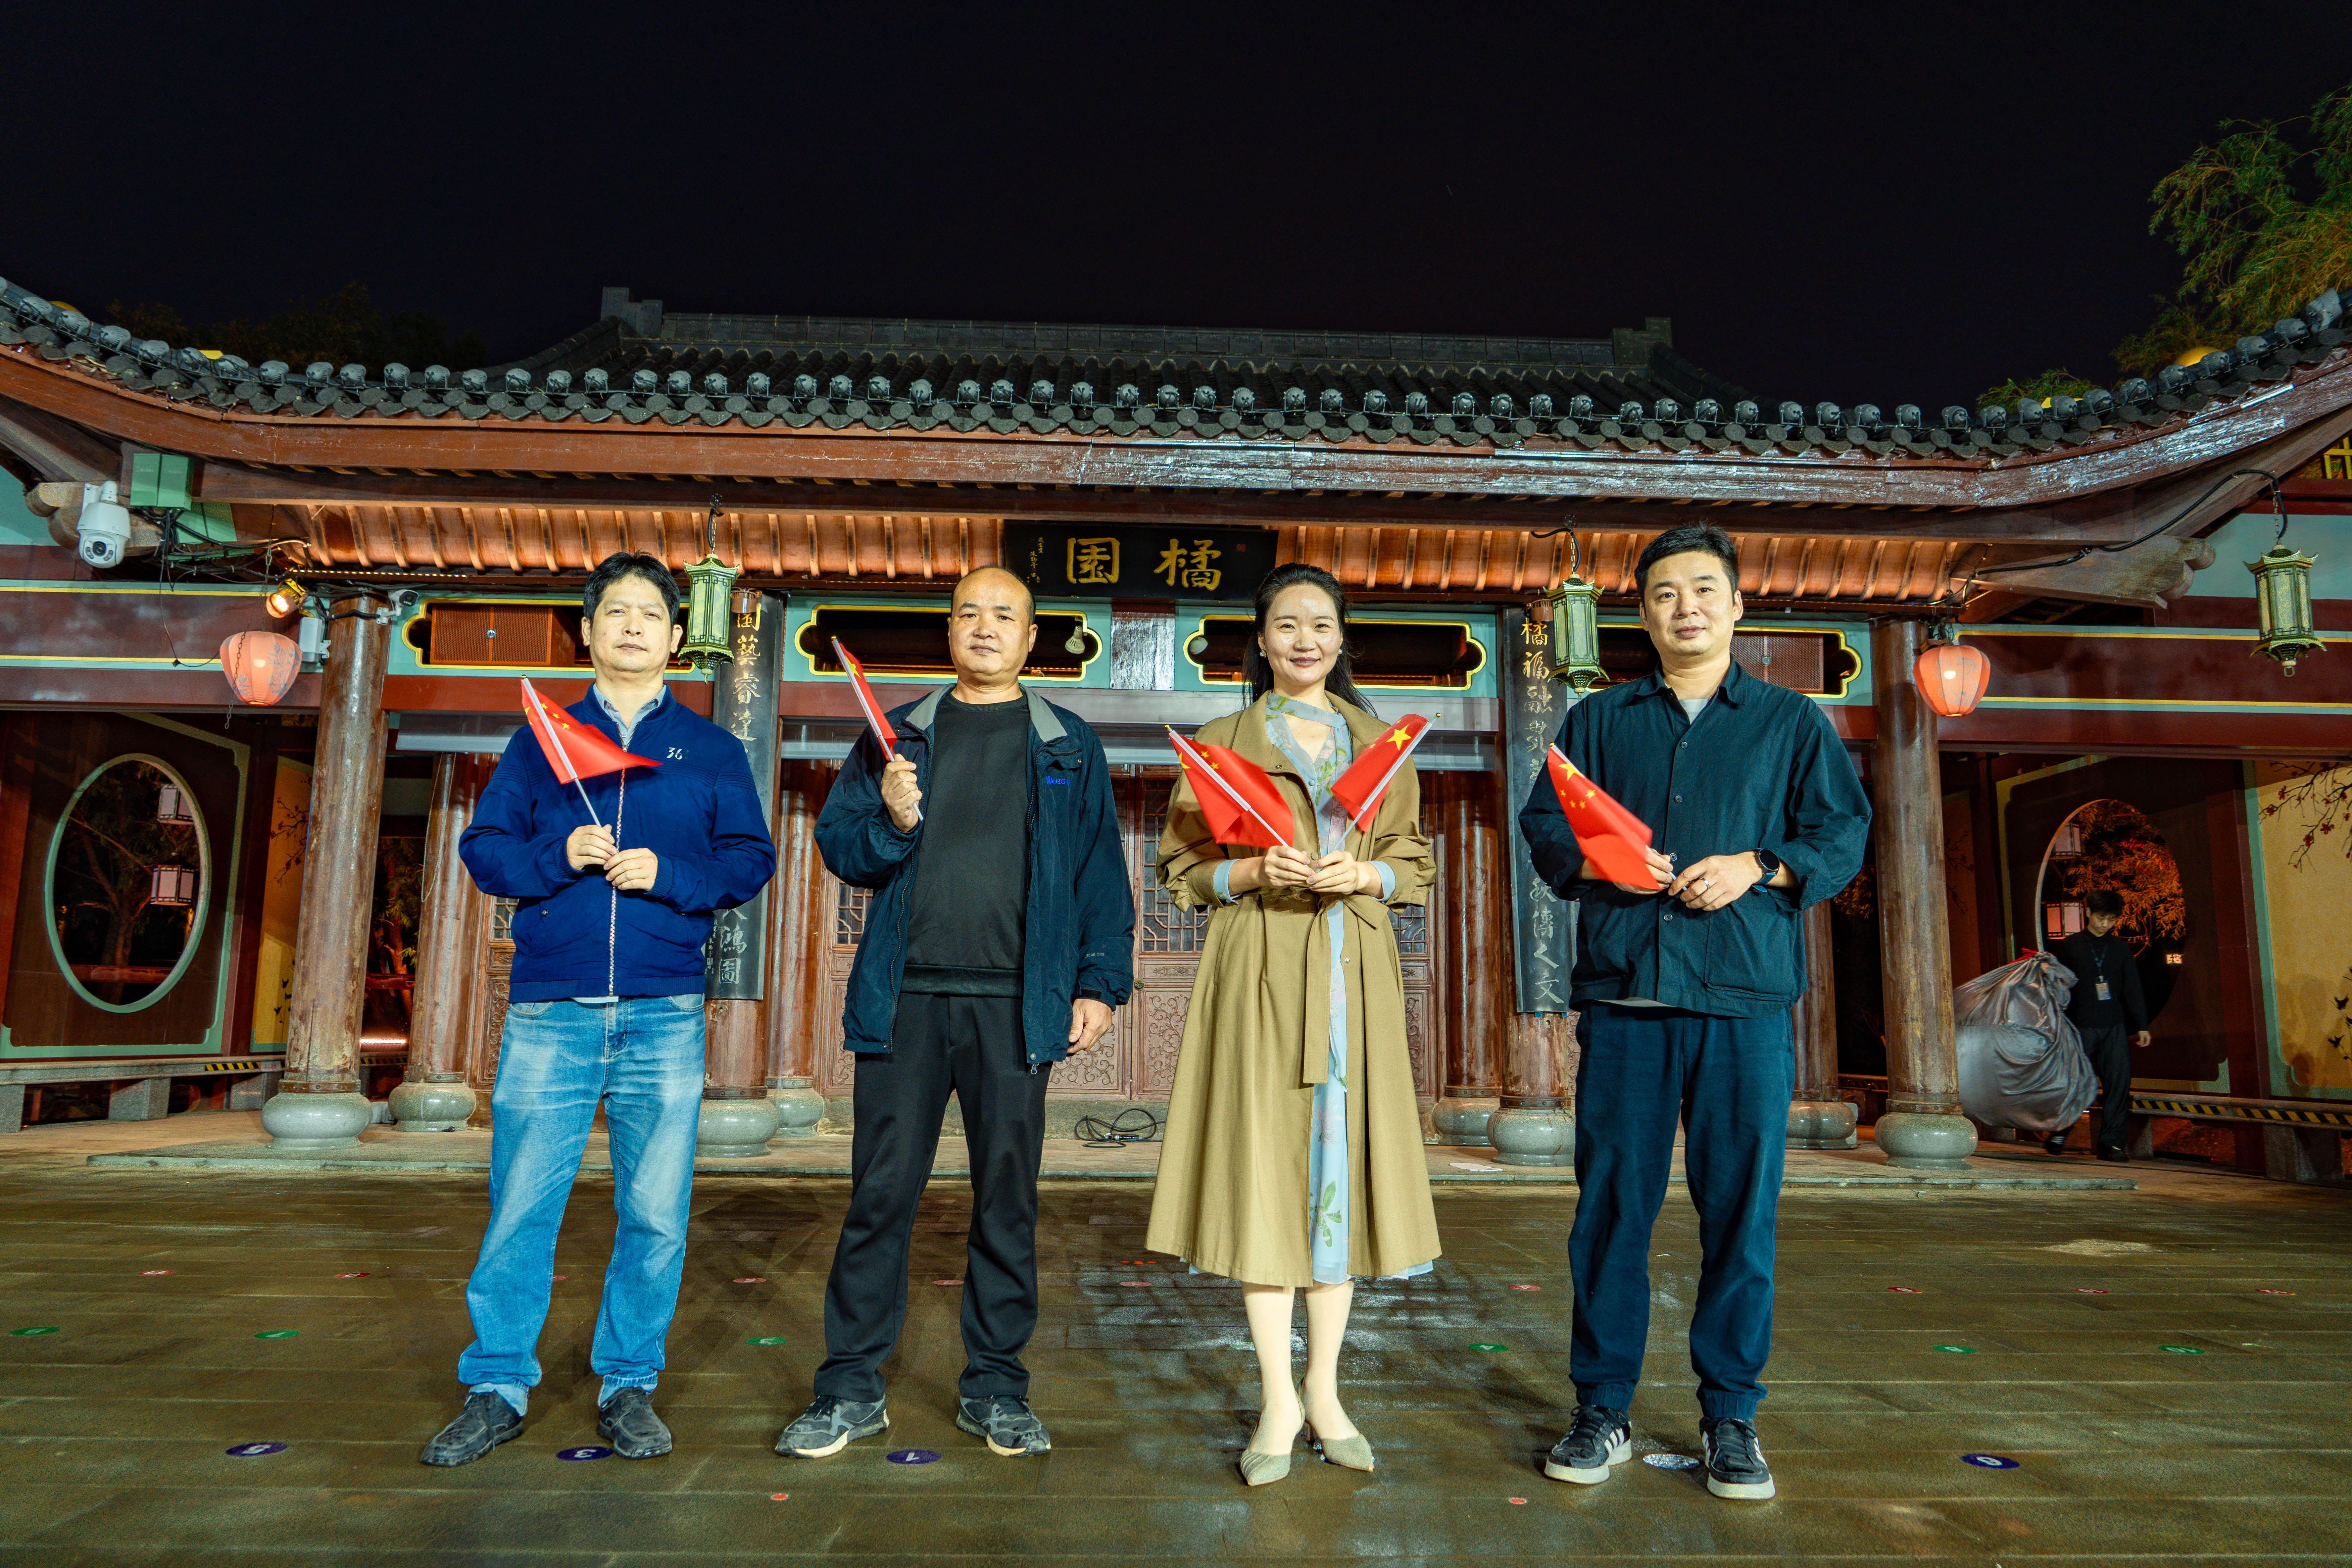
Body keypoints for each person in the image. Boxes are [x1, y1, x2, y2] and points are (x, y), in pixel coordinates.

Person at [1516, 523, 1868, 1503]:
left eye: (1704, 589)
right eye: (1666, 593)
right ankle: (1602, 1407)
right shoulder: (1598, 721)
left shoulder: (1791, 723)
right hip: (1627, 998)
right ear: (1642, 612)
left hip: (1741, 1003)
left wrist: (1759, 864)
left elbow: (1840, 830)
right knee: (1610, 1211)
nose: (1686, 608)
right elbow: (1545, 823)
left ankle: (1731, 1415)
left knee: (1739, 1213)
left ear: (1736, 604)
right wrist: (1605, 861)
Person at [422, 551, 777, 1466]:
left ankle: (628, 1382)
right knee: (519, 1208)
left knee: (654, 1213)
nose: (632, 627)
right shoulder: (541, 741)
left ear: (675, 635)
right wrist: (559, 856)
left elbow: (750, 859)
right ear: (588, 631)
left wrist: (670, 874)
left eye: (650, 614)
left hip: (664, 1010)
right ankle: (497, 1382)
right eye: (615, 612)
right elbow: (484, 848)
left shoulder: (710, 750)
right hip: (553, 1010)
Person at [777, 567, 1133, 1462]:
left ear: (1031, 637)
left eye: (1003, 614)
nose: (984, 626)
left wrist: (1099, 983)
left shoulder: (1067, 744)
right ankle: (850, 1386)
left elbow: (1099, 871)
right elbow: (843, 849)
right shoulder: (896, 734)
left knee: (1007, 1202)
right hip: (906, 1003)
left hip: (1017, 1006)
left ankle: (997, 1388)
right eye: (968, 612)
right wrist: (893, 820)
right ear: (948, 631)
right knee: (880, 1197)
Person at [1146, 562, 1439, 1487]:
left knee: (1337, 1173)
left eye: (1320, 623)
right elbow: (1181, 868)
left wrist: (1368, 874)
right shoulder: (1221, 742)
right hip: (1262, 967)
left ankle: (1325, 1389)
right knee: (1268, 1172)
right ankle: (1277, 1396)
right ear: (1262, 641)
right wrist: (1247, 872)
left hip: (1353, 975)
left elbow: (1413, 863)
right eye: (1286, 624)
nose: (1304, 639)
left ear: (1342, 639)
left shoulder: (1382, 745)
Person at [2049, 889, 2150, 1162]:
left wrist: (2142, 1025)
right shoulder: (2071, 946)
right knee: (2075, 1082)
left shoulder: (2120, 948)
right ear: (2088, 913)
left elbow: (2132, 987)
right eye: (2101, 918)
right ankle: (2060, 1132)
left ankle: (2111, 1145)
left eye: (2112, 920)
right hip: (2080, 1025)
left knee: (2119, 1085)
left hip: (2114, 1025)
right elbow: (2059, 986)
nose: (2106, 924)